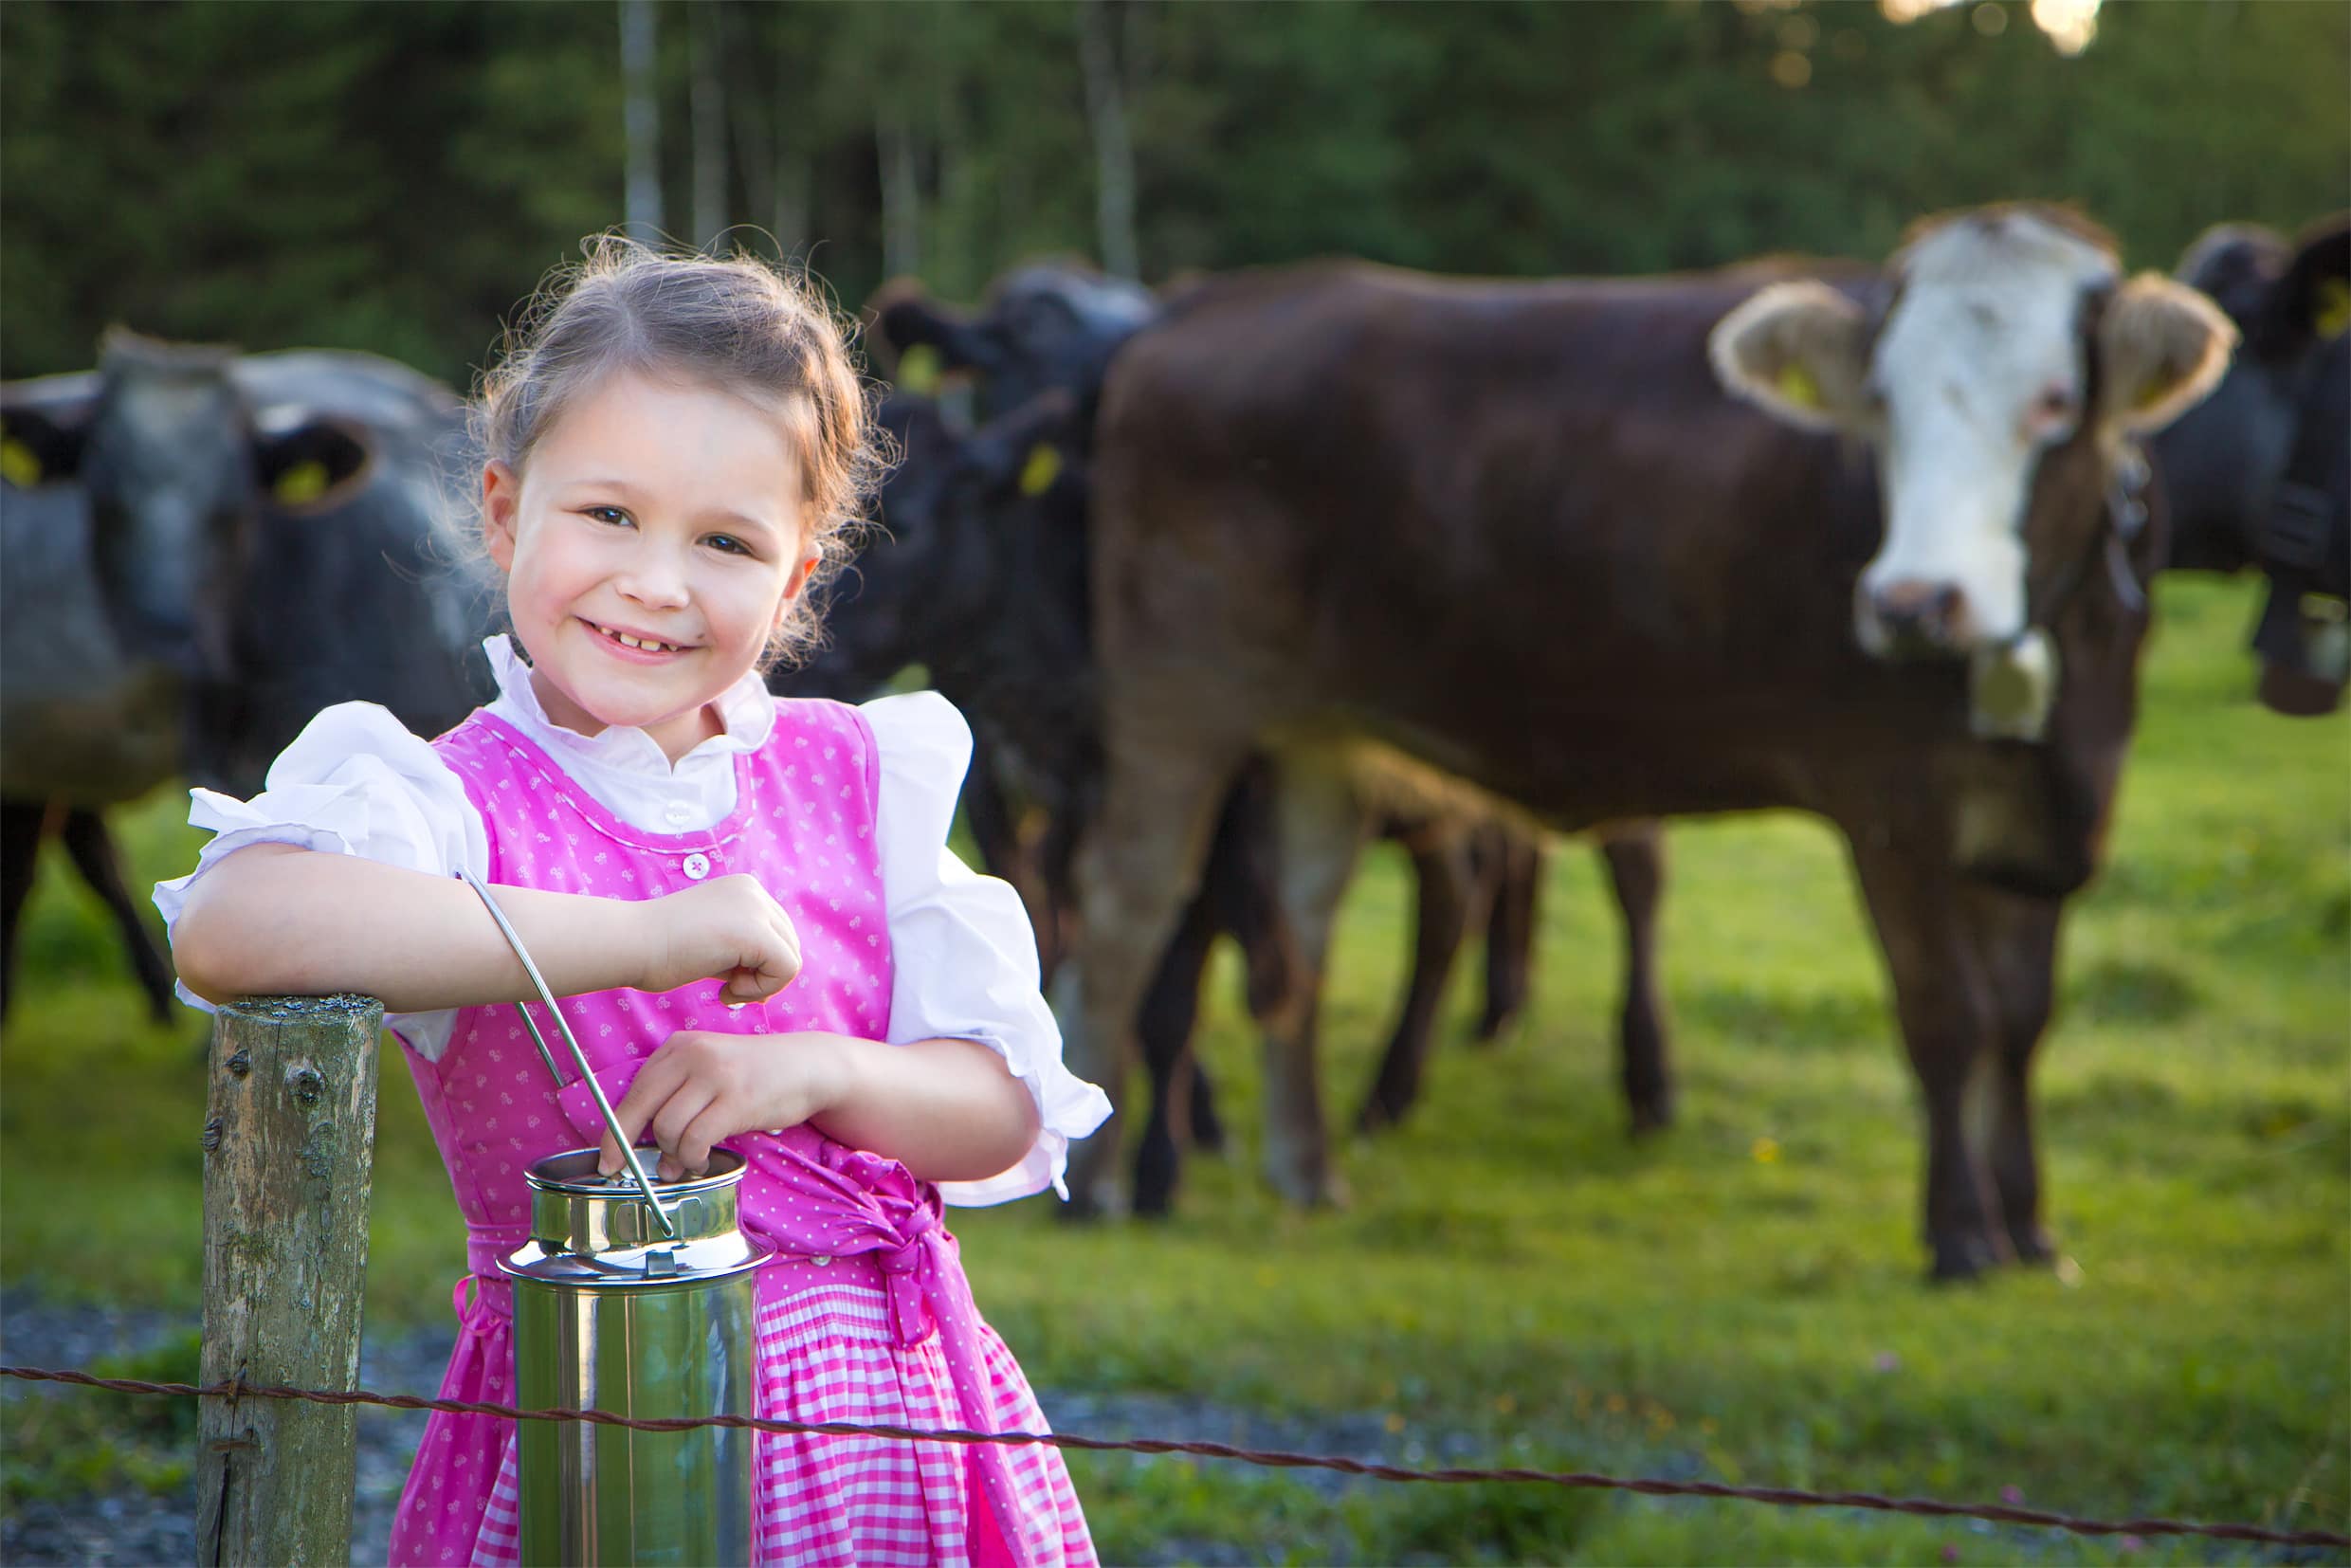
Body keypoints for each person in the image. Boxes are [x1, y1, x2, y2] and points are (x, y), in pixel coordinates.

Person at [158, 238, 1110, 1568]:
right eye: (609, 514)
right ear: (502, 513)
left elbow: (1002, 1107)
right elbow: (232, 926)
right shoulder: (449, 800)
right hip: (590, 1435)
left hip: (887, 1428)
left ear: (792, 581)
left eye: (724, 541)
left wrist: (815, 1071)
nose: (656, 582)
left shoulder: (860, 771)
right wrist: (653, 939)